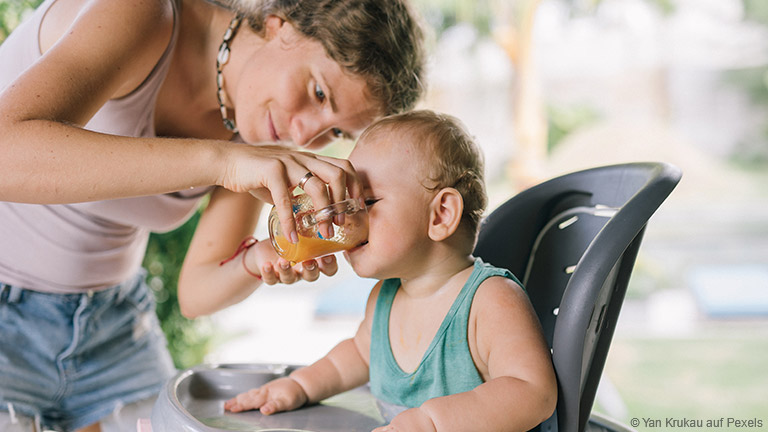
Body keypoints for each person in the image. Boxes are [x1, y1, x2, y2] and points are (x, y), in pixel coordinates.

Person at [0, 0, 426, 430]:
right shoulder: (142, 13)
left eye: (335, 132)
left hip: (112, 325)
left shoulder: (252, 131)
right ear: (282, 26)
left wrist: (258, 259)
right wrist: (222, 161)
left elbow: (196, 291)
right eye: (318, 92)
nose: (305, 134)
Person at [224, 110, 558, 431]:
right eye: (343, 199)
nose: (344, 218)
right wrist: (298, 386)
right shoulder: (384, 297)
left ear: (441, 215)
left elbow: (533, 392)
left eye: (367, 202)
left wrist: (432, 423)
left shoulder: (490, 300)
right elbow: (353, 358)